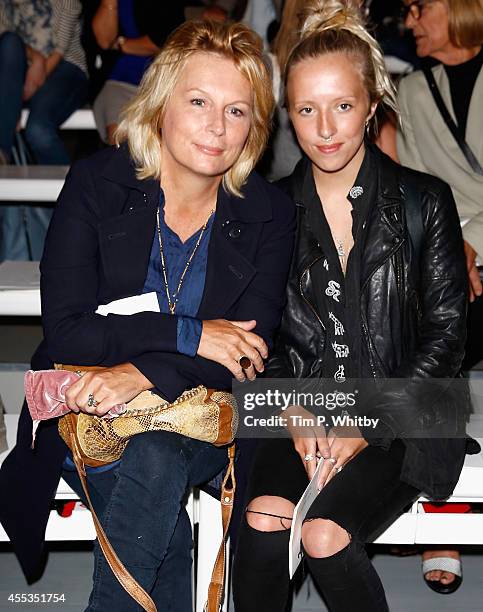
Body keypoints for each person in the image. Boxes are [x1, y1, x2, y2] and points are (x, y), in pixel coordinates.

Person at [0, 19, 295, 611]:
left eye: (237, 111)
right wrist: (189, 334)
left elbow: (245, 354)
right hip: (87, 408)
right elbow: (68, 332)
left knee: (157, 461)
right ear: (161, 103)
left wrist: (136, 372)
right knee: (156, 482)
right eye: (198, 102)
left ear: (255, 128)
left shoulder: (268, 211)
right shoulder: (96, 184)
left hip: (204, 418)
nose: (217, 127)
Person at [232, 1, 479, 611]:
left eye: (342, 105)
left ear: (371, 106)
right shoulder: (271, 209)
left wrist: (369, 420)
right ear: (288, 115)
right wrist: (291, 408)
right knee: (263, 526)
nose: (325, 128)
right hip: (297, 406)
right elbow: (257, 333)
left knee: (324, 537)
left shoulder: (425, 200)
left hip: (411, 406)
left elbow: (448, 335)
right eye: (306, 109)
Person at [397, 0, 483, 593]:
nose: (409, 22)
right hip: (451, 259)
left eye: (419, 7)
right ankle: (444, 512)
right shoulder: (408, 91)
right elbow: (421, 190)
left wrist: (476, 243)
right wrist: (455, 250)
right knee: (433, 337)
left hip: (476, 248)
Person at [0, 0, 88, 261]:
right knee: (9, 44)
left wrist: (14, 99)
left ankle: (81, 203)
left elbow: (60, 49)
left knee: (37, 129)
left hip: (66, 68)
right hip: (23, 72)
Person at [91, 0, 185, 144]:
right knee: (118, 137)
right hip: (118, 80)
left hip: (161, 80)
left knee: (163, 139)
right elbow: (104, 41)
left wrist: (121, 44)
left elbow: (163, 41)